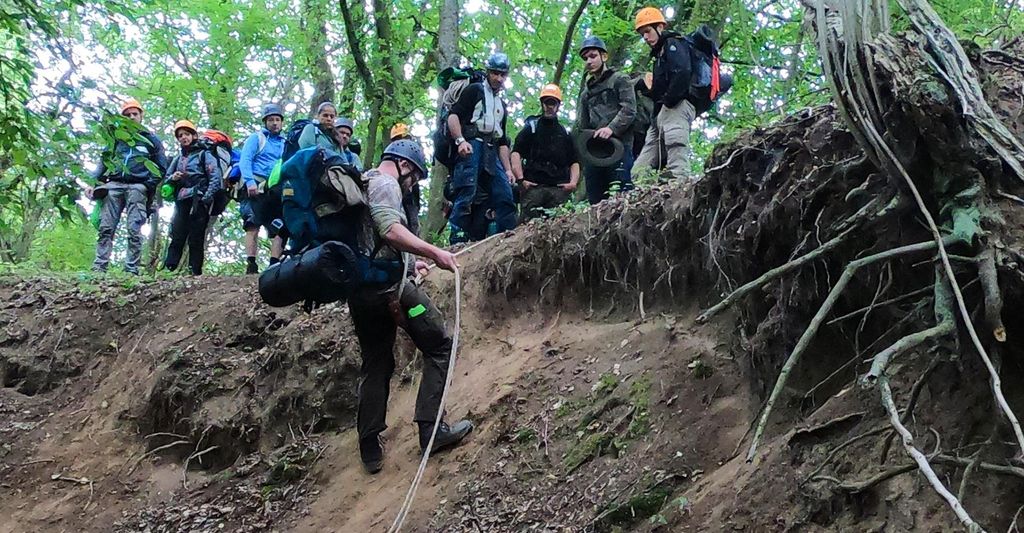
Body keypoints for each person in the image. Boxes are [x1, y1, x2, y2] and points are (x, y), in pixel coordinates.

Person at [348, 139, 473, 474]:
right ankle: (432, 430)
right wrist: (434, 253)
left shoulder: (363, 181)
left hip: (360, 294)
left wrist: (411, 261)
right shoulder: (386, 184)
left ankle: (369, 446)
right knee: (439, 344)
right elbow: (389, 230)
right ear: (403, 165)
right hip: (392, 290)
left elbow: (374, 239)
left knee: (376, 361)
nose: (413, 183)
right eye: (414, 175)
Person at [88, 98, 168, 275]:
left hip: (138, 188)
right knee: (106, 227)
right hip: (114, 185)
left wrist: (147, 185)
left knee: (134, 228)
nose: (131, 117)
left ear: (141, 116)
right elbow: (104, 162)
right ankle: (99, 267)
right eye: (127, 114)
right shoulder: (116, 139)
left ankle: (131, 270)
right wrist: (93, 183)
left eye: (135, 114)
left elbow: (161, 167)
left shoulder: (151, 140)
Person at [445, 52, 517, 244]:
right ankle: (458, 234)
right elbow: (453, 116)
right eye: (495, 73)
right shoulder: (475, 91)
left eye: (502, 75)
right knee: (467, 189)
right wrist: (460, 140)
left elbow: (502, 141)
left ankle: (507, 234)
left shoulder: (502, 105)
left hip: (492, 149)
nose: (499, 78)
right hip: (473, 143)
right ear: (488, 72)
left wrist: (508, 169)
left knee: (504, 192)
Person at [631, 7, 695, 180]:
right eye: (642, 34)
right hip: (660, 114)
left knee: (676, 150)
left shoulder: (673, 43)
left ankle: (680, 189)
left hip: (677, 106)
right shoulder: (659, 56)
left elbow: (682, 72)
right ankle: (640, 194)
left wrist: (668, 100)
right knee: (639, 169)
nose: (645, 37)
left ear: (660, 27)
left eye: (647, 31)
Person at [575, 35, 637, 205]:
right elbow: (583, 125)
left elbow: (629, 109)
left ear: (604, 56)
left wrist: (611, 128)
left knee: (623, 196)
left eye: (593, 56)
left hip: (620, 146)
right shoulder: (586, 94)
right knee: (596, 200)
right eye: (585, 58)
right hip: (596, 153)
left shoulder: (620, 80)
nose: (588, 61)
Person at [510, 83, 580, 222]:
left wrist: (573, 183)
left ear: (558, 105)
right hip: (534, 189)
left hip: (558, 190)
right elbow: (516, 153)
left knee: (558, 229)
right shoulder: (531, 128)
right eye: (547, 102)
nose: (550, 106)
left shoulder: (564, 133)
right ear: (542, 104)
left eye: (553, 103)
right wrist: (521, 179)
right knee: (527, 228)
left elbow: (574, 161)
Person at [163, 120, 224, 275]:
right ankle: (169, 269)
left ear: (194, 135)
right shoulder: (178, 158)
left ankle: (195, 272)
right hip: (182, 199)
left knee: (196, 237)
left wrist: (207, 197)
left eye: (187, 134)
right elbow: (167, 178)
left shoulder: (205, 154)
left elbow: (215, 177)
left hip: (200, 199)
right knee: (177, 234)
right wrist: (173, 179)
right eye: (180, 135)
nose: (184, 138)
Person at [238, 103, 286, 274]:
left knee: (279, 227)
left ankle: (273, 264)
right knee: (252, 224)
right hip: (255, 185)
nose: (274, 123)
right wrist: (249, 181)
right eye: (271, 120)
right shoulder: (256, 138)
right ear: (265, 122)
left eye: (277, 120)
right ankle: (251, 264)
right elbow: (245, 160)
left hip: (275, 189)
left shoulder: (285, 143)